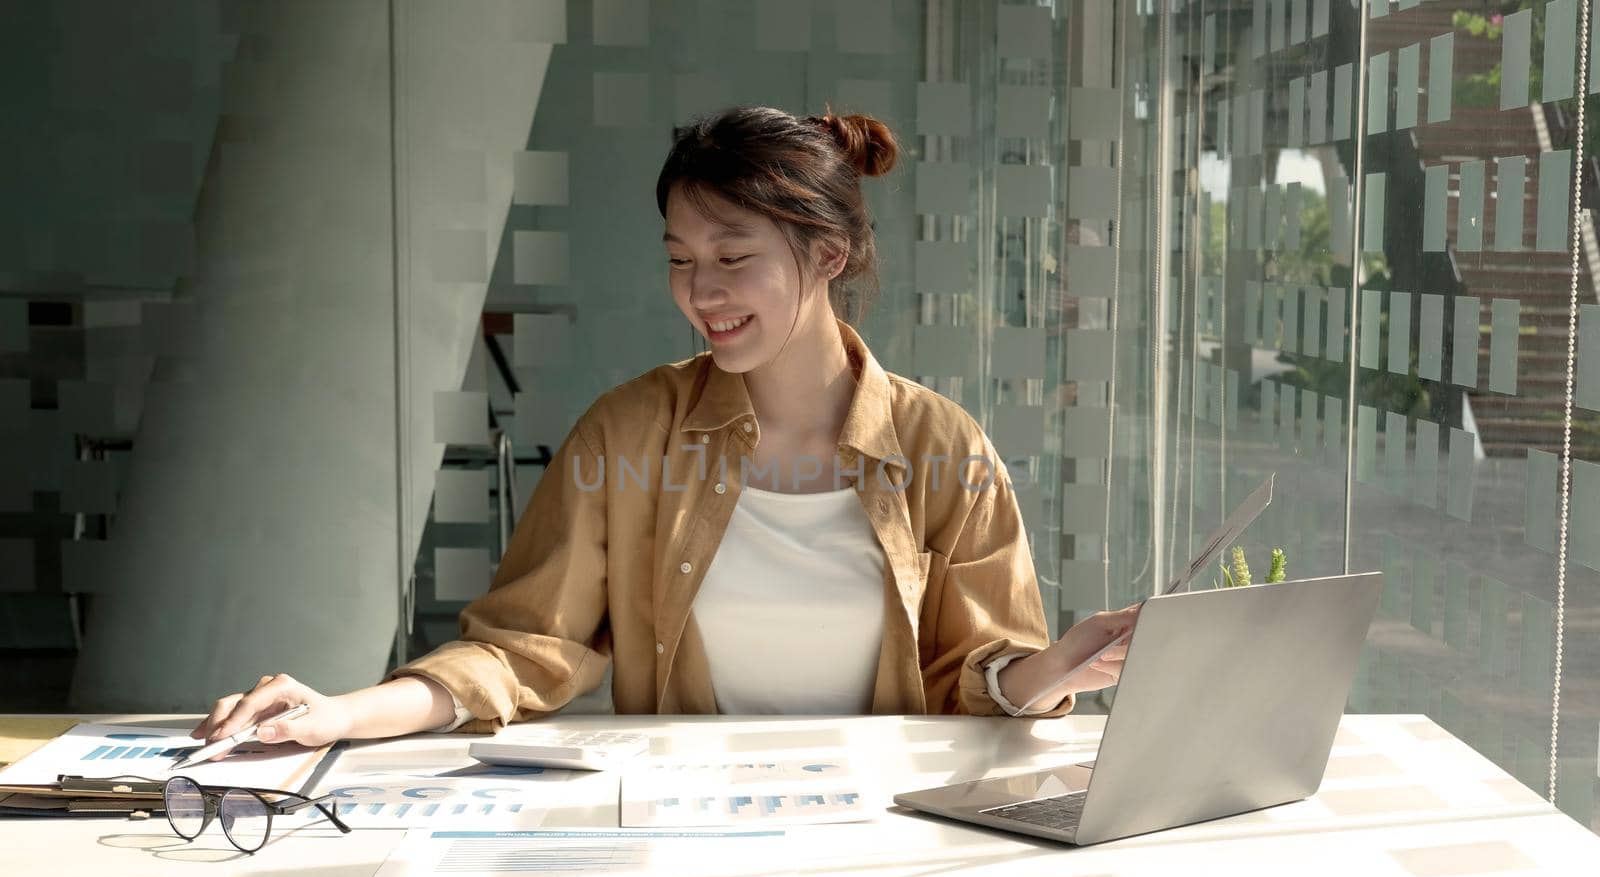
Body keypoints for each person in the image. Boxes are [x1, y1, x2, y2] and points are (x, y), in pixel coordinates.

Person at [192, 106, 1139, 755]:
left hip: (878, 823)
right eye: (681, 259)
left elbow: (976, 684)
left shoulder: (943, 448)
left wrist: (1058, 666)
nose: (702, 292)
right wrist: (338, 714)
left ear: (828, 256)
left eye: (735, 257)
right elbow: (524, 649)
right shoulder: (630, 434)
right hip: (686, 817)